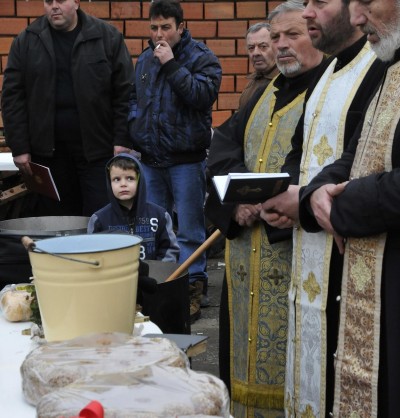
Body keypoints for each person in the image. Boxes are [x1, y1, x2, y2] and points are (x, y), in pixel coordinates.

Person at [259, 0, 387, 416]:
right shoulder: (326, 73)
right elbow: (300, 150)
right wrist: (285, 195)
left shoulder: (375, 68)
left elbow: (364, 159)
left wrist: (307, 198)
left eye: (320, 3)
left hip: (346, 245)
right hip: (307, 243)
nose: (309, 13)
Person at [293, 0, 400, 415]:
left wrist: (344, 205)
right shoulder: (394, 62)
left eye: (365, 2)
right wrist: (316, 192)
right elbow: (357, 152)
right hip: (378, 288)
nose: (358, 17)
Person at [205, 1, 324, 416]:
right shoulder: (262, 93)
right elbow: (222, 149)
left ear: (316, 32)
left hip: (293, 252)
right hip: (243, 261)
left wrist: (268, 201)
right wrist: (238, 202)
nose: (281, 46)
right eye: (276, 38)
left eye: (293, 35)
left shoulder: (329, 94)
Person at [128, 0, 222, 323]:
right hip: (151, 161)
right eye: (154, 28)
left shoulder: (202, 57)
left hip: (186, 161)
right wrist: (134, 128)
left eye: (166, 27)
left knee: (189, 230)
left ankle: (194, 288)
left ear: (181, 27)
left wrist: (170, 65)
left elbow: (201, 96)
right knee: (152, 227)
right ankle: (156, 286)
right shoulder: (143, 59)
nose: (159, 35)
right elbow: (133, 100)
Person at [1, 0, 134, 217]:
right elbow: (12, 98)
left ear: (77, 2)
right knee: (58, 223)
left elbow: (126, 93)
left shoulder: (106, 38)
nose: (54, 6)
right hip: (47, 155)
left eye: (61, 1)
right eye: (48, 1)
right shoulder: (27, 41)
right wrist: (19, 147)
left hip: (97, 152)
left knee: (100, 218)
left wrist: (122, 139)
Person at [87, 153, 179, 263]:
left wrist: (160, 274)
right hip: (114, 278)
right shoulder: (99, 220)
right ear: (109, 182)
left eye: (130, 178)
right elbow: (92, 256)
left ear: (139, 180)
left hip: (155, 277)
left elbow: (169, 250)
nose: (123, 184)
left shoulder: (159, 215)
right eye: (116, 179)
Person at [238, 22, 279, 109]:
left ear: (276, 47)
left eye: (263, 46)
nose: (255, 53)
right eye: (251, 48)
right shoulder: (251, 84)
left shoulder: (285, 83)